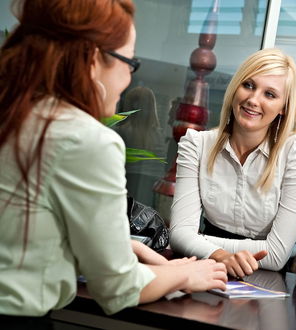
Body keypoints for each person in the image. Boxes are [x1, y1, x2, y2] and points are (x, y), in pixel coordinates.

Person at [0, 0, 227, 318]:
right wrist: (187, 273)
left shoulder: (14, 112)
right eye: (129, 64)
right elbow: (118, 288)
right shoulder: (84, 138)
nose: (128, 80)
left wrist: (123, 245)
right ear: (93, 60)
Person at [170, 48, 296, 278]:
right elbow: (179, 234)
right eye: (248, 85)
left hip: (264, 282)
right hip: (206, 269)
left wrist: (196, 241)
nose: (253, 100)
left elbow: (277, 254)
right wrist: (219, 256)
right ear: (235, 88)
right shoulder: (196, 145)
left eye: (270, 94)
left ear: (284, 108)